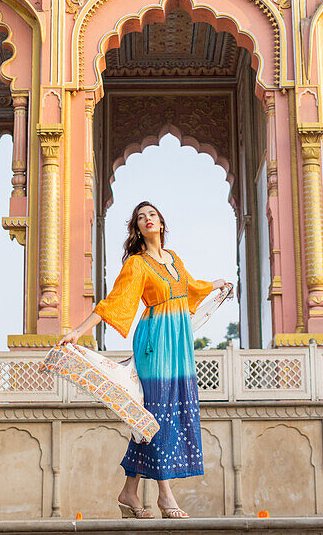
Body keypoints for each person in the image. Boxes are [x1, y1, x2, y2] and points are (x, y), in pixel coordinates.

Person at [60, 200, 227, 520]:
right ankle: (165, 496)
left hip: (179, 344)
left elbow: (191, 288)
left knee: (159, 417)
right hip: (155, 342)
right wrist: (78, 332)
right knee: (158, 416)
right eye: (141, 217)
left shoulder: (173, 259)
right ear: (137, 228)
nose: (147, 219)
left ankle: (129, 492)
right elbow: (113, 303)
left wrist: (216, 285)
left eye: (152, 215)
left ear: (161, 224)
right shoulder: (137, 264)